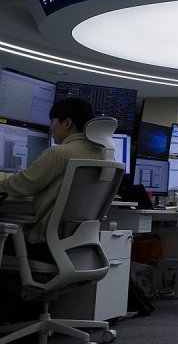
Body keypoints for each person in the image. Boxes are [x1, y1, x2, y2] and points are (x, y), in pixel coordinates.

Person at [0, 97, 105, 321]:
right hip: (78, 248)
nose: (51, 128)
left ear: (67, 123)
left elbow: (21, 184)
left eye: (53, 122)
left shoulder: (59, 153)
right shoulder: (101, 155)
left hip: (44, 247)